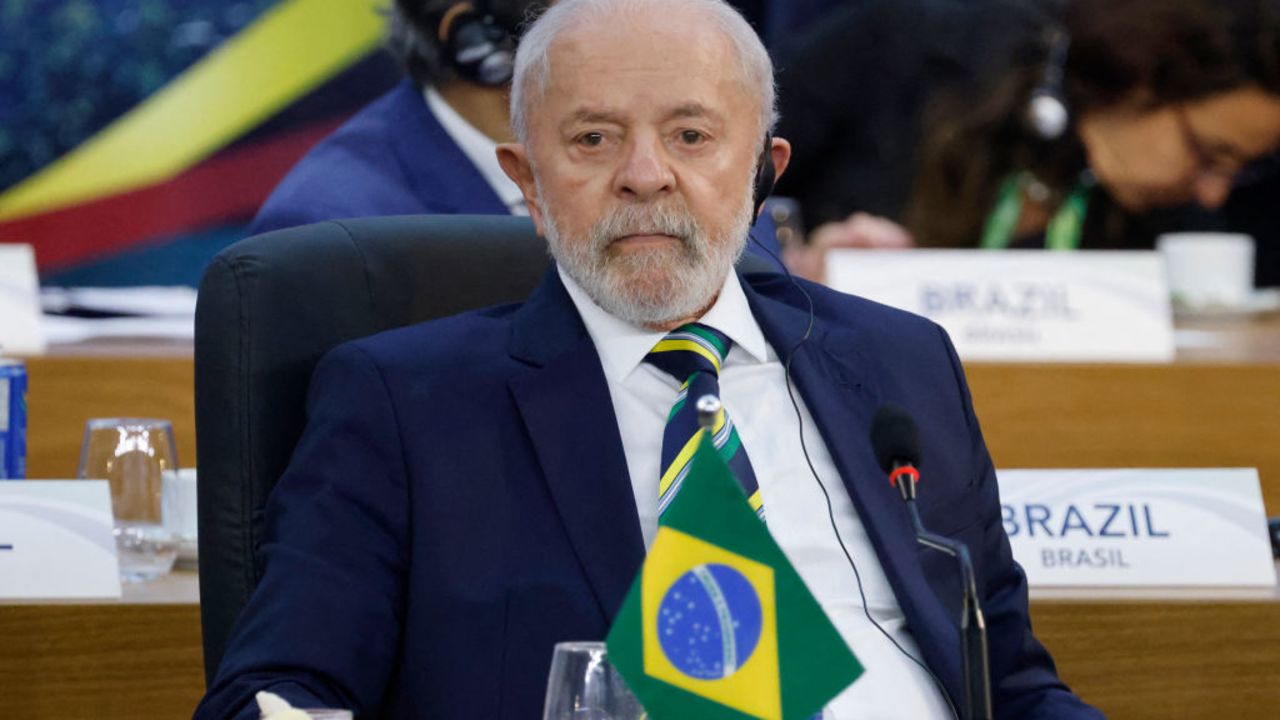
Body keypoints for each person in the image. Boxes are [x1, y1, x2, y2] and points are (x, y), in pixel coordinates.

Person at [196, 1, 1100, 718]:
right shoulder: (404, 406)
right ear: (528, 183)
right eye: (591, 139)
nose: (644, 174)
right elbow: (273, 694)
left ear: (764, 170)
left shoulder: (904, 367)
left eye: (692, 136)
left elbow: (1013, 686)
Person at [777, 0, 1280, 287]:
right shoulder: (905, 46)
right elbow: (712, 174)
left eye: (1241, 170)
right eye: (1210, 155)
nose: (1213, 194)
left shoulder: (1171, 214)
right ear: (1143, 78)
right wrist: (788, 265)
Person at [246, 0, 543, 236]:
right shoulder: (329, 230)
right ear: (474, 37)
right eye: (576, 11)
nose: (591, 24)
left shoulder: (578, 163)